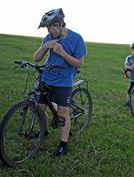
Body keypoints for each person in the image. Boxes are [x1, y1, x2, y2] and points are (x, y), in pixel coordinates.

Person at [33, 8, 87, 156]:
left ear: (62, 24)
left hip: (64, 81)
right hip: (46, 78)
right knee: (39, 108)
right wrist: (45, 46)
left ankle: (63, 145)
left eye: (51, 27)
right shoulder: (48, 37)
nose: (49, 30)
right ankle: (43, 131)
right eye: (47, 27)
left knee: (63, 112)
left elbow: (79, 64)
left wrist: (62, 52)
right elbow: (36, 58)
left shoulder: (76, 39)